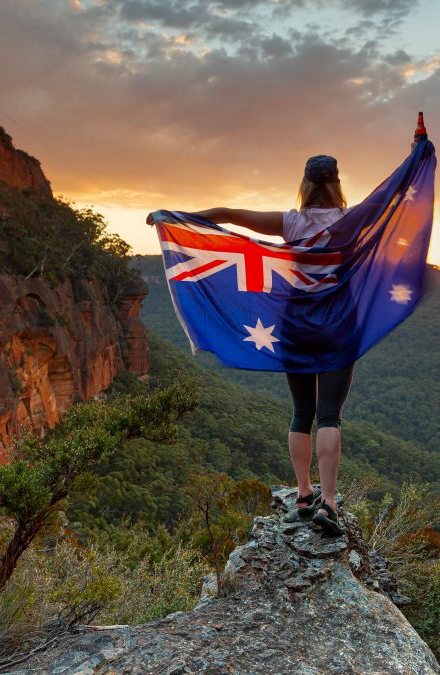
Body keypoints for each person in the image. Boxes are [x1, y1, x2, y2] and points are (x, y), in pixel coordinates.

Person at [160, 155, 353, 536]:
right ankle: (328, 503)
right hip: (336, 325)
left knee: (302, 412)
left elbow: (228, 214)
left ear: (305, 183)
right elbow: (398, 197)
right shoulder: (353, 220)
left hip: (295, 326)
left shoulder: (290, 222)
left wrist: (173, 217)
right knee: (329, 416)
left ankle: (302, 493)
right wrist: (418, 152)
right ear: (337, 183)